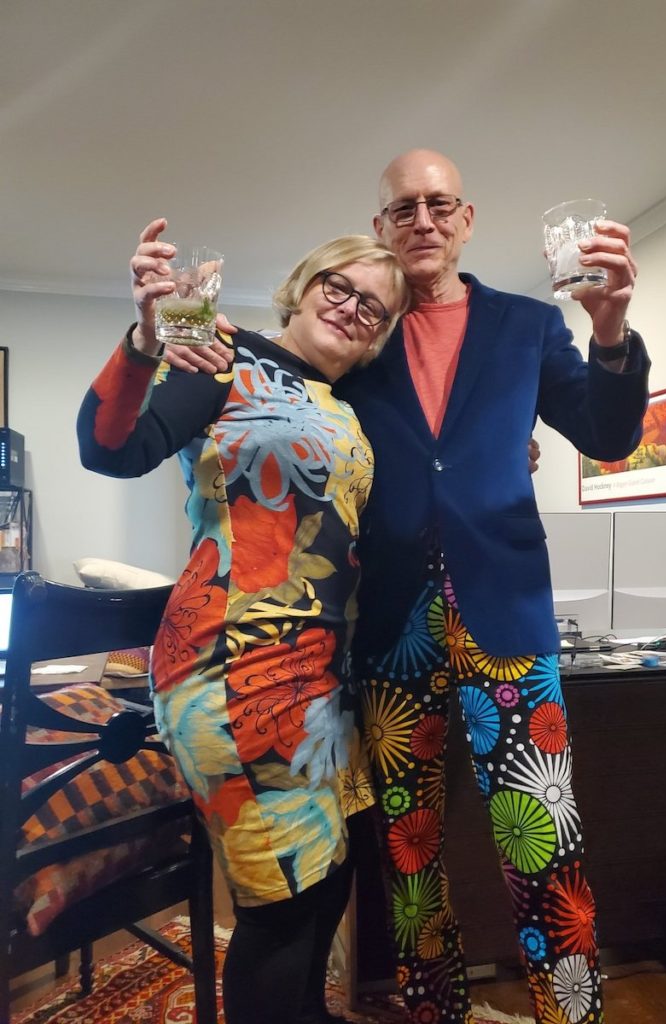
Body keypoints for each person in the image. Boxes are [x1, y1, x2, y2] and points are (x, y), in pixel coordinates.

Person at [164, 149, 650, 1024]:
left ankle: (571, 1015)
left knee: (543, 837)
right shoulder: (362, 336)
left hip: (505, 609)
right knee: (408, 847)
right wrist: (178, 336)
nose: (422, 220)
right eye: (403, 208)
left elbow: (608, 437)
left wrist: (610, 330)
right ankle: (434, 1012)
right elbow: (291, 402)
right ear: (382, 227)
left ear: (466, 219)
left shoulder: (528, 325)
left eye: (439, 204)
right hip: (388, 623)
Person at [77, 219, 410, 1024]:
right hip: (234, 671)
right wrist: (146, 340)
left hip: (325, 683)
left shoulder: (349, 405)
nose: (352, 308)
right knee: (281, 902)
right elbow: (111, 447)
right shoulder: (221, 350)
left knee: (326, 876)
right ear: (303, 286)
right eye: (339, 286)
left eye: (373, 307)